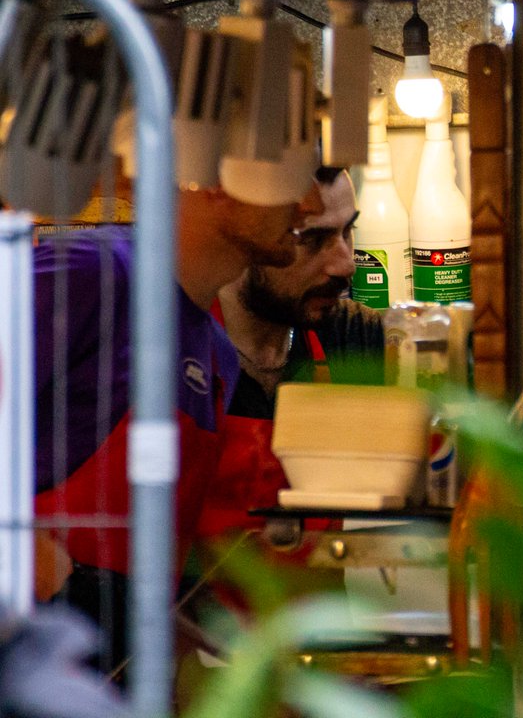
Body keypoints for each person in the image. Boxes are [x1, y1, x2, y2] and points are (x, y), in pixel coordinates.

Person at [30, 154, 322, 671]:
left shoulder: (217, 355)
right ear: (217, 184)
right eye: (292, 177)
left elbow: (145, 598)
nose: (308, 203)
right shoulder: (94, 272)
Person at [198, 166, 383, 539]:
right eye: (313, 239)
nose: (346, 264)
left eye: (348, 232)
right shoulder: (180, 349)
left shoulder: (353, 336)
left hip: (320, 598)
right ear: (247, 234)